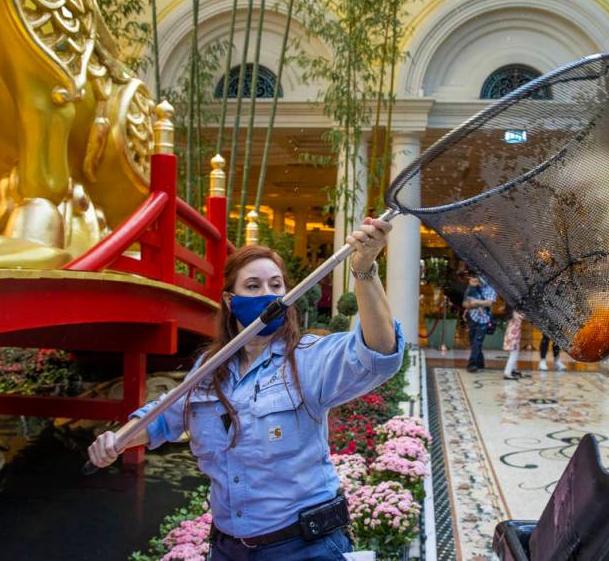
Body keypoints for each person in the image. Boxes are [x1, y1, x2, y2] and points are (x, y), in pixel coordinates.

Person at [89, 217, 404, 561]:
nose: (266, 294)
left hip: (305, 548)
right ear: (229, 299)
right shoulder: (208, 371)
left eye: (275, 285)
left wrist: (364, 269)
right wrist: (116, 441)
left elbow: (380, 355)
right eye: (252, 286)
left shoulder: (309, 359)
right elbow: (162, 419)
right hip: (228, 550)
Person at [462, 271, 495, 372]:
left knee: (477, 341)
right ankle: (480, 363)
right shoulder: (471, 287)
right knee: (473, 341)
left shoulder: (491, 288)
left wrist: (475, 302)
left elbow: (490, 302)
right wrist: (478, 304)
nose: (478, 279)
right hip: (472, 317)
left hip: (484, 319)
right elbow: (465, 303)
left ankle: (472, 364)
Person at [502, 310, 525, 380]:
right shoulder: (515, 312)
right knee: (514, 353)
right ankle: (507, 372)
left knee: (513, 352)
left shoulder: (513, 311)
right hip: (513, 335)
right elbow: (523, 316)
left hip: (512, 334)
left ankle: (512, 369)